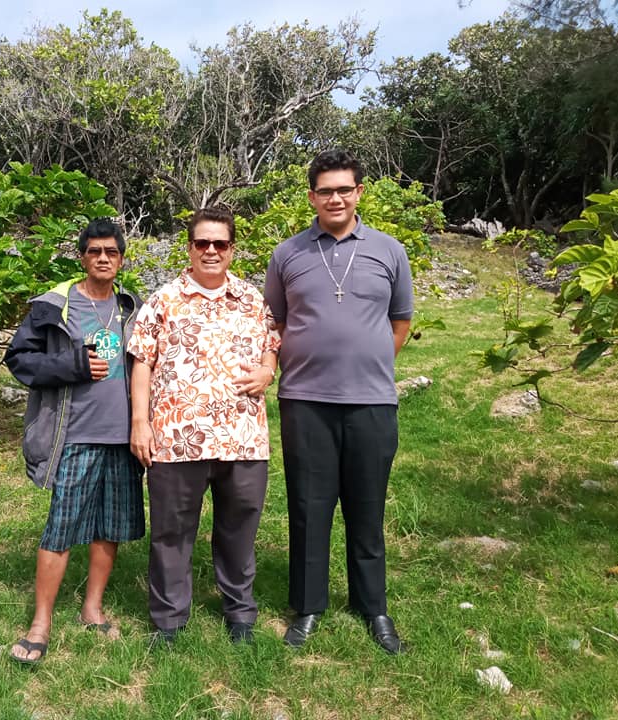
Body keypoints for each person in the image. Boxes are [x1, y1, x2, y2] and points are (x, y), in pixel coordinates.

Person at [263, 149, 413, 655]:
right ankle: (308, 606)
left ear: (359, 193)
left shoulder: (389, 251)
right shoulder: (288, 254)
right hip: (305, 400)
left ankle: (373, 607)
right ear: (312, 197)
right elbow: (276, 323)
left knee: (367, 507)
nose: (335, 198)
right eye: (325, 191)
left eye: (344, 189)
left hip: (372, 401)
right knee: (309, 507)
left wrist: (367, 360)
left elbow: (400, 322)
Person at [128, 207, 280, 646]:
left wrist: (268, 369)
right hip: (176, 437)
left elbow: (272, 344)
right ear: (190, 248)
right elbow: (142, 362)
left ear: (232, 249)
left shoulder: (252, 299)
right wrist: (140, 423)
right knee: (171, 532)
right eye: (202, 243)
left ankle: (240, 613)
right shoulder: (164, 300)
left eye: (220, 243)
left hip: (242, 437)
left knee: (240, 529)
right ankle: (169, 620)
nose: (211, 251)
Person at [3, 218, 144, 665]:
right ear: (82, 257)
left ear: (121, 259)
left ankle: (92, 609)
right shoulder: (54, 307)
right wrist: (73, 366)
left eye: (111, 252)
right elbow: (19, 359)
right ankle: (40, 623)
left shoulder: (131, 308)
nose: (103, 258)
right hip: (75, 435)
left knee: (110, 527)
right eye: (94, 251)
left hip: (121, 438)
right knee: (61, 528)